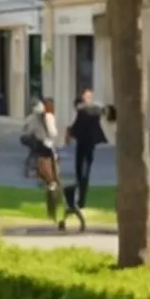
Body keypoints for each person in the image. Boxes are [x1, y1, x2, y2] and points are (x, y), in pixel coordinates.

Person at [66, 90, 106, 230]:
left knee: (80, 170)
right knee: (85, 170)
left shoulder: (84, 111)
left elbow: (77, 126)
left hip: (83, 143)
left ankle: (80, 196)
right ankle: (81, 197)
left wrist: (71, 133)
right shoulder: (93, 111)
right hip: (89, 143)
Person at [23, 98, 64, 220]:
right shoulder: (49, 117)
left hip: (40, 152)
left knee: (48, 181)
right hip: (49, 151)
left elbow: (27, 132)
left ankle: (52, 209)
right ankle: (56, 205)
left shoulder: (31, 119)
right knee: (54, 180)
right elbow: (53, 133)